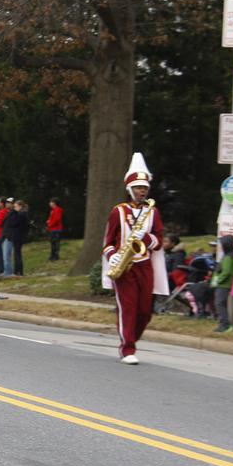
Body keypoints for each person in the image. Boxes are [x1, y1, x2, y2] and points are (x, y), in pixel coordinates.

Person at [101, 153, 168, 364]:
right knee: (128, 308)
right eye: (138, 188)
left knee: (144, 311)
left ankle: (131, 339)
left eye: (145, 188)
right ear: (130, 189)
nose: (142, 191)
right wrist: (112, 256)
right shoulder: (118, 212)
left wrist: (146, 238)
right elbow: (108, 242)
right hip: (125, 266)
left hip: (144, 264)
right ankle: (127, 348)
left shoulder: (153, 212)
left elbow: (159, 240)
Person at [211, 235, 233, 333]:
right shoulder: (229, 255)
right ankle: (224, 323)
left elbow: (226, 272)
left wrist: (217, 280)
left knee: (219, 304)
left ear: (227, 245)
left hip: (223, 285)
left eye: (222, 244)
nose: (220, 247)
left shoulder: (228, 257)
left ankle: (224, 325)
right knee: (221, 304)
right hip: (223, 284)